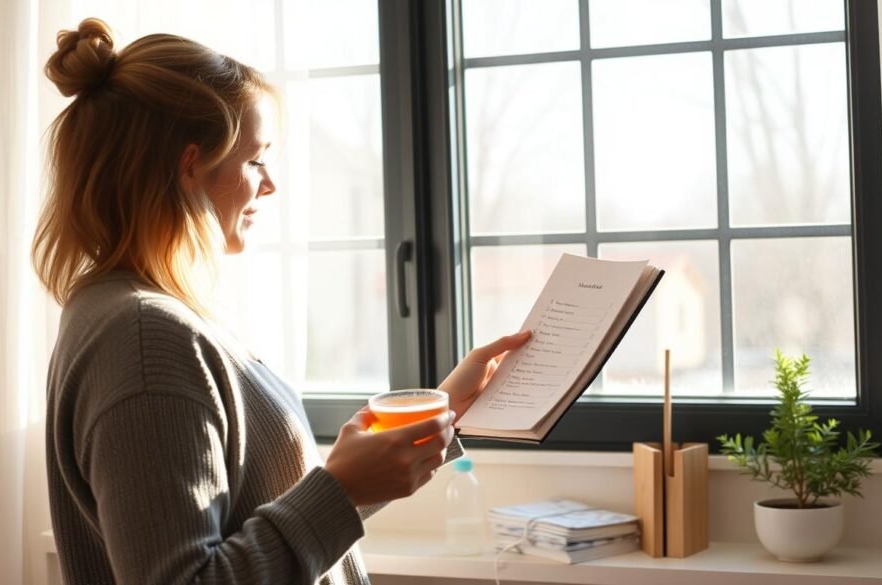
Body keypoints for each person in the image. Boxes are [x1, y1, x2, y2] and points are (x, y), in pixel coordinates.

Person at [34, 18, 530, 585]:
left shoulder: (138, 314)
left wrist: (436, 415)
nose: (269, 184)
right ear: (189, 164)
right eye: (255, 159)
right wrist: (341, 487)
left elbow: (263, 517)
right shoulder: (145, 338)